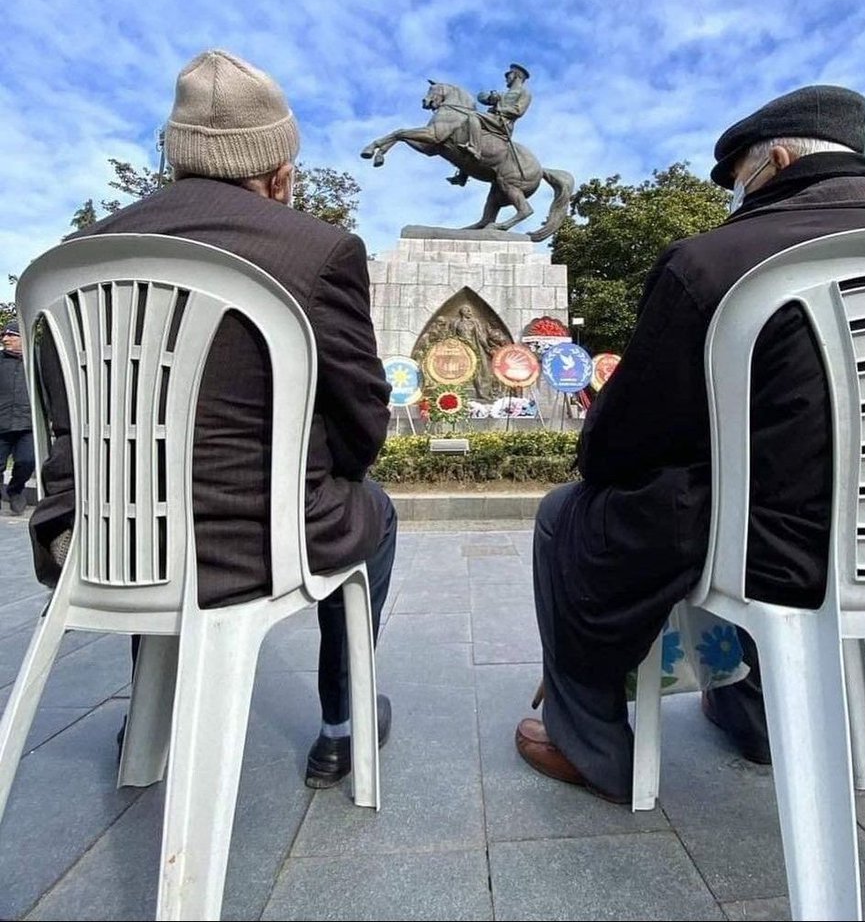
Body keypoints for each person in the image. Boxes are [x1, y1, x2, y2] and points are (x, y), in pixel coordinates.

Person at [514, 84, 865, 804]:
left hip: (769, 557)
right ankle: (751, 715)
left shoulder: (715, 261)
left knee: (577, 512)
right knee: (741, 495)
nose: (734, 199)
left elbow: (624, 440)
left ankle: (588, 742)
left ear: (774, 161)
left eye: (738, 179)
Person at [29, 49, 395, 788]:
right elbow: (363, 416)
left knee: (140, 502)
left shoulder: (76, 256)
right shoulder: (317, 250)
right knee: (375, 512)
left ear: (176, 161)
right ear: (280, 171)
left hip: (98, 535)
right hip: (254, 538)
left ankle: (151, 719)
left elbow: (63, 413)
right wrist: (339, 469)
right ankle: (340, 725)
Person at [448, 63, 532, 186]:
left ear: (517, 76)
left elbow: (519, 111)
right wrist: (491, 98)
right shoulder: (503, 95)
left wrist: (500, 109)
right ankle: (463, 175)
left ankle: (475, 149)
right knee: (467, 128)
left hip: (502, 122)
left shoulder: (524, 93)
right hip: (492, 119)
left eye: (509, 75)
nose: (506, 78)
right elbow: (482, 98)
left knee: (473, 117)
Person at [0, 319, 34, 518]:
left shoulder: (36, 358)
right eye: (4, 335)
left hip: (28, 424)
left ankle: (16, 490)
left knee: (27, 461)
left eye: (11, 335)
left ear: (23, 338)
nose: (6, 338)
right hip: (1, 422)